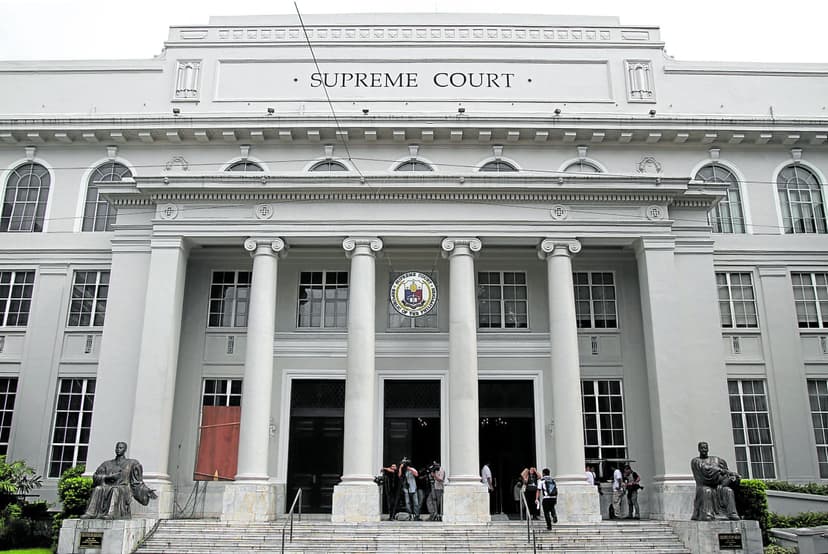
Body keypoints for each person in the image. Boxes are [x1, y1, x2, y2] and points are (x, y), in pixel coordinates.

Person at [81, 442, 156, 519]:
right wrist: (108, 477)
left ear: (125, 450)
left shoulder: (132, 463)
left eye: (120, 448)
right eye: (117, 448)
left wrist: (146, 490)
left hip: (123, 488)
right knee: (98, 489)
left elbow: (136, 482)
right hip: (107, 486)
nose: (118, 450)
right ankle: (90, 513)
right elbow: (96, 476)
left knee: (115, 490)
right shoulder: (106, 464)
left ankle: (111, 513)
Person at [691, 441, 740, 521]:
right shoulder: (696, 461)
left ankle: (731, 513)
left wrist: (731, 476)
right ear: (699, 449)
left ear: (708, 449)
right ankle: (707, 514)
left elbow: (726, 473)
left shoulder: (716, 459)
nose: (704, 450)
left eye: (705, 448)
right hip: (703, 486)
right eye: (702, 448)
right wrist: (720, 470)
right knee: (707, 491)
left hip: (718, 486)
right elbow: (705, 469)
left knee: (728, 491)